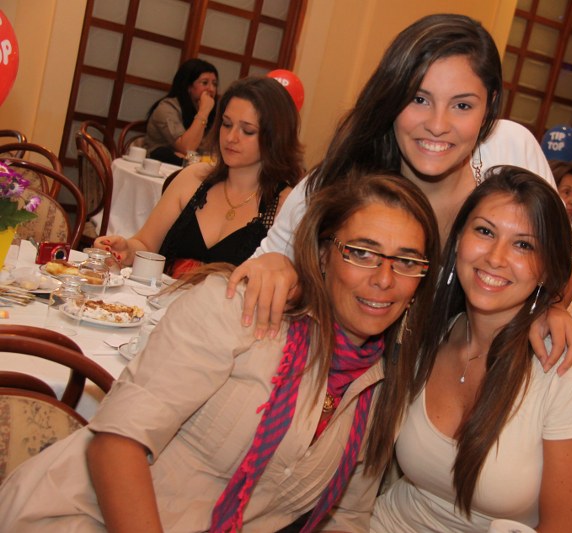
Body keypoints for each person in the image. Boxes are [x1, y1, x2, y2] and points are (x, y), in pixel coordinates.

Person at [0, 172, 441, 532]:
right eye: (362, 253)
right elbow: (116, 444)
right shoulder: (239, 310)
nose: (385, 278)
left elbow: (346, 517)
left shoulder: (381, 391)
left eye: (407, 261)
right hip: (80, 518)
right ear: (324, 256)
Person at [228, 13, 572, 373]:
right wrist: (278, 264)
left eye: (462, 105)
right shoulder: (343, 177)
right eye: (419, 99)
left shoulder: (510, 149)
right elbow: (262, 272)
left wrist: (549, 308)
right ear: (392, 96)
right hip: (355, 381)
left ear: (489, 105)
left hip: (468, 381)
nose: (437, 125)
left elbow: (564, 261)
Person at [371, 166, 572, 533]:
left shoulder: (566, 370)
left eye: (523, 245)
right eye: (485, 231)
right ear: (458, 240)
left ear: (547, 269)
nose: (496, 258)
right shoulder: (426, 334)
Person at [95, 76, 303, 278]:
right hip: (161, 299)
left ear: (276, 137)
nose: (231, 138)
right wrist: (127, 250)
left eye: (247, 131)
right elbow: (146, 244)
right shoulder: (193, 178)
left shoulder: (286, 206)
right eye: (226, 124)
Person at [142, 58, 219, 165]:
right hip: (158, 166)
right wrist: (204, 111)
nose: (211, 89)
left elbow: (211, 152)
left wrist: (190, 157)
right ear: (188, 86)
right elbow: (187, 148)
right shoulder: (167, 108)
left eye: (214, 84)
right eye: (205, 83)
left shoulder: (213, 111)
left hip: (192, 168)